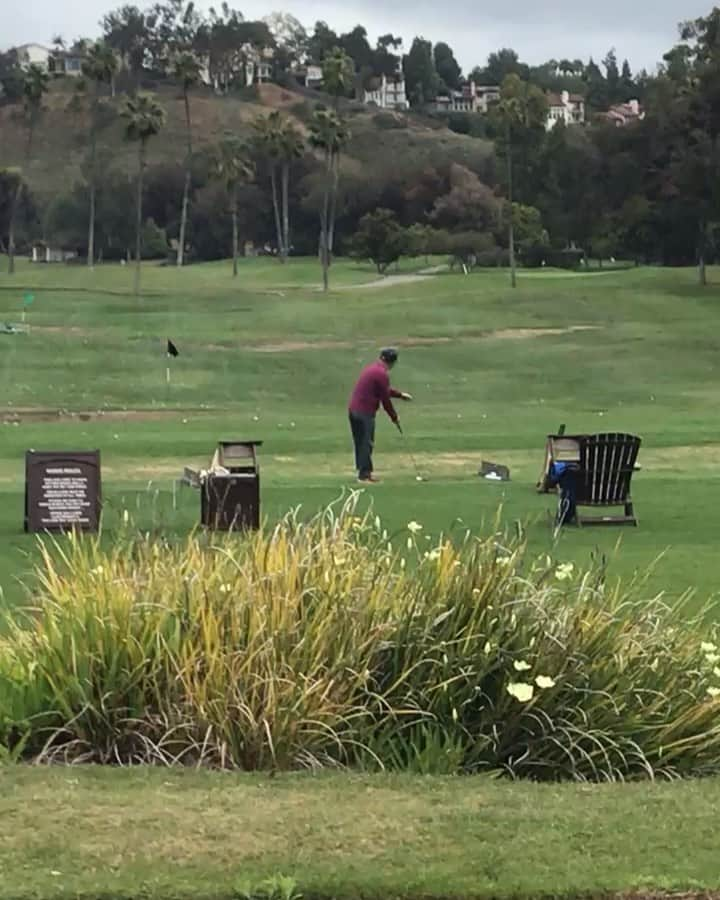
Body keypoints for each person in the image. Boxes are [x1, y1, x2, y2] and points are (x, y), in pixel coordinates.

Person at [348, 348, 412, 483]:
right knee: (366, 442)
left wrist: (400, 395)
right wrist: (394, 417)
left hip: (354, 410)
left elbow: (384, 390)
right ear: (393, 362)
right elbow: (385, 399)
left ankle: (363, 473)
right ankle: (364, 476)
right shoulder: (381, 374)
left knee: (361, 442)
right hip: (364, 412)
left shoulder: (374, 369)